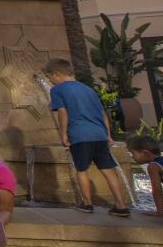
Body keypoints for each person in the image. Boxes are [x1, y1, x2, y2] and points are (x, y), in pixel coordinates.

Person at [44, 58, 130, 216]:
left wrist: (63, 135)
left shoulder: (58, 90)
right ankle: (121, 206)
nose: (49, 81)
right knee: (109, 170)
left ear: (56, 74)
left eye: (49, 78)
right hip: (99, 134)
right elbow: (103, 114)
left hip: (79, 135)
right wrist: (108, 135)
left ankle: (87, 204)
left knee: (82, 169)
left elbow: (63, 112)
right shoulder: (88, 89)